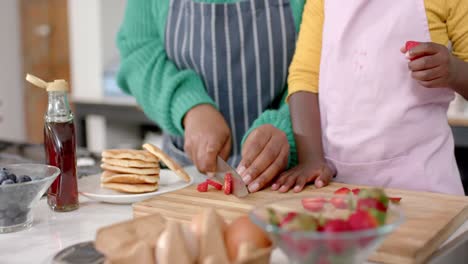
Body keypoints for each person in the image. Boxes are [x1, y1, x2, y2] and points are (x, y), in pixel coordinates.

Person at [276, 0, 468, 194]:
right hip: (336, 186)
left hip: (424, 186)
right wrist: (311, 159)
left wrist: (455, 71)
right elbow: (304, 79)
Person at [116, 0, 308, 192]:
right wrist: (188, 106)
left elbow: (319, 65)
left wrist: (287, 123)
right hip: (186, 179)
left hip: (282, 181)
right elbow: (138, 51)